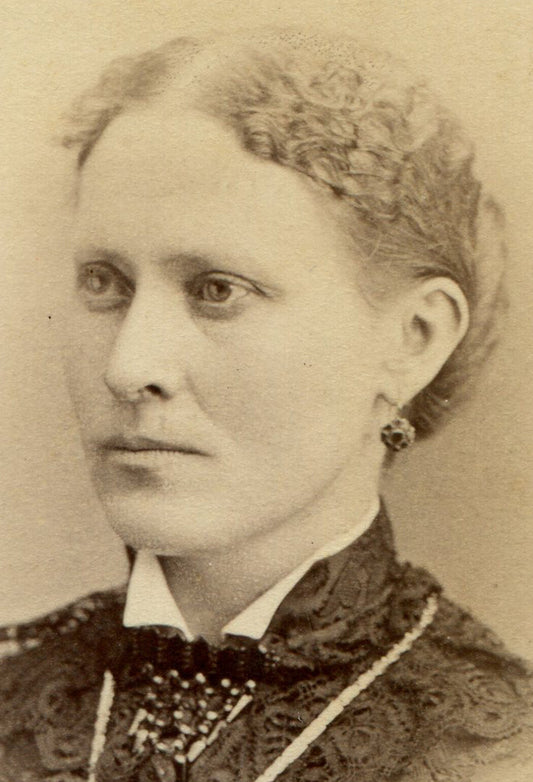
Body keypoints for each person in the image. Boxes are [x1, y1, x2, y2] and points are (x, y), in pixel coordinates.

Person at [0, 28, 531, 782]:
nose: (128, 367)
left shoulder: (500, 749)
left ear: (412, 339)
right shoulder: (13, 690)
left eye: (217, 290)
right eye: (103, 282)